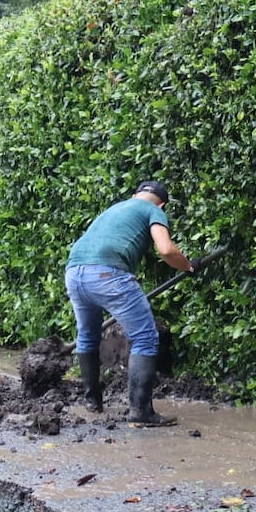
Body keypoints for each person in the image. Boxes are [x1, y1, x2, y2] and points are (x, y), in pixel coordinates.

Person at [65, 179, 196, 427]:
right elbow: (166, 250)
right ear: (163, 204)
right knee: (145, 337)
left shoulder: (115, 208)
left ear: (136, 194)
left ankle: (93, 402)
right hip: (108, 274)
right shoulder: (153, 211)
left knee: (87, 336)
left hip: (74, 273)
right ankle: (141, 412)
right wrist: (188, 266)